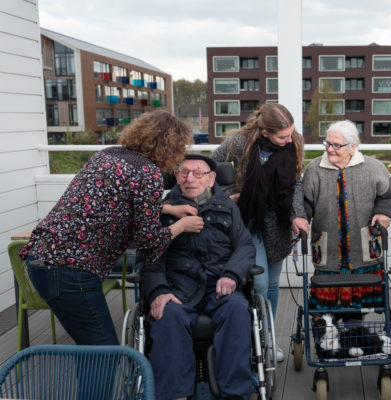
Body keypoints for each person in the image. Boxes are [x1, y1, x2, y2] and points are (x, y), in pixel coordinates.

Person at [20, 110, 204, 346]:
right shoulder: (148, 172)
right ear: (170, 145)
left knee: (91, 349)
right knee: (103, 352)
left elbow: (113, 203)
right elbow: (149, 242)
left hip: (42, 258)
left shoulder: (107, 155)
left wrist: (167, 210)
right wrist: (181, 226)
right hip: (70, 270)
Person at [143, 154, 255, 400]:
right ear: (176, 176)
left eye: (197, 173)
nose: (189, 178)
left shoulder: (227, 206)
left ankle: (235, 395)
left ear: (212, 178)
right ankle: (175, 395)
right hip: (178, 287)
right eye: (183, 172)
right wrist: (159, 291)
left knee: (237, 309)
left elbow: (245, 247)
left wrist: (232, 274)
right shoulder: (163, 210)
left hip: (219, 284)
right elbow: (151, 257)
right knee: (167, 314)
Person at [212, 103, 309, 361]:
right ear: (265, 132)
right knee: (261, 283)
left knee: (274, 283)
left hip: (278, 220)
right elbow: (207, 171)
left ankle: (268, 338)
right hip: (248, 219)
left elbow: (296, 183)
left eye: (290, 134)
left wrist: (297, 214)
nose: (289, 140)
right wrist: (225, 197)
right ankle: (253, 339)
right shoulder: (240, 142)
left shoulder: (295, 141)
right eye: (282, 137)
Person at [303, 120, 391, 310]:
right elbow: (305, 202)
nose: (330, 149)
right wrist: (301, 219)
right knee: (325, 308)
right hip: (328, 250)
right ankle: (327, 335)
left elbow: (389, 196)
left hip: (364, 248)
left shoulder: (373, 168)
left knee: (359, 307)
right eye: (328, 143)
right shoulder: (314, 169)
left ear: (353, 147)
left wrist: (383, 212)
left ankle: (354, 334)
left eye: (337, 145)